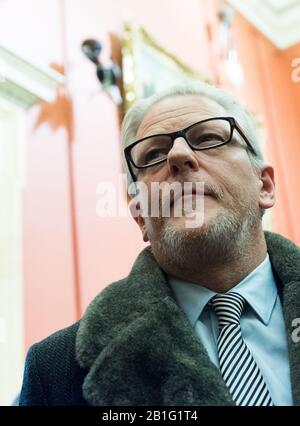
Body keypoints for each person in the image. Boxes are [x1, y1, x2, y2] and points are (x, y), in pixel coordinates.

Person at [19, 82, 300, 406]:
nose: (177, 155)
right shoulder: (56, 369)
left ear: (263, 185)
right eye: (153, 154)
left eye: (208, 138)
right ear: (140, 215)